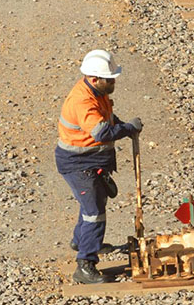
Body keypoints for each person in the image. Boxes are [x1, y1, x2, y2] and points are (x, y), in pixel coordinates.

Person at [55, 49, 143, 284]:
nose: (113, 82)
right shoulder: (83, 100)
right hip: (79, 163)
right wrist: (129, 129)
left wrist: (123, 124)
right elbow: (102, 132)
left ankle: (81, 241)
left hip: (91, 161)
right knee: (94, 213)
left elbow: (107, 119)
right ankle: (85, 265)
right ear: (94, 79)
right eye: (109, 79)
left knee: (94, 203)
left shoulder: (95, 91)